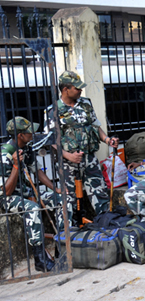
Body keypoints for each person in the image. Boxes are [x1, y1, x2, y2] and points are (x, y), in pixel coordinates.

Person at [0, 117, 71, 272]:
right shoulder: (5, 155)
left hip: (25, 193)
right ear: (20, 135)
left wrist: (56, 189)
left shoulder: (27, 148)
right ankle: (40, 259)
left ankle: (62, 249)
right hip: (7, 198)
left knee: (62, 200)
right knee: (32, 209)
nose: (33, 133)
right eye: (29, 131)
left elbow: (37, 171)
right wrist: (16, 166)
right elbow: (6, 192)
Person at [45, 71, 118, 217]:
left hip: (89, 158)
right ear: (66, 89)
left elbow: (96, 126)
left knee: (99, 191)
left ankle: (106, 222)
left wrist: (107, 140)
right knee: (68, 198)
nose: (80, 90)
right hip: (67, 163)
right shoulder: (53, 110)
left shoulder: (86, 103)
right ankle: (68, 231)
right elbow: (51, 140)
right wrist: (68, 156)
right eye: (77, 88)